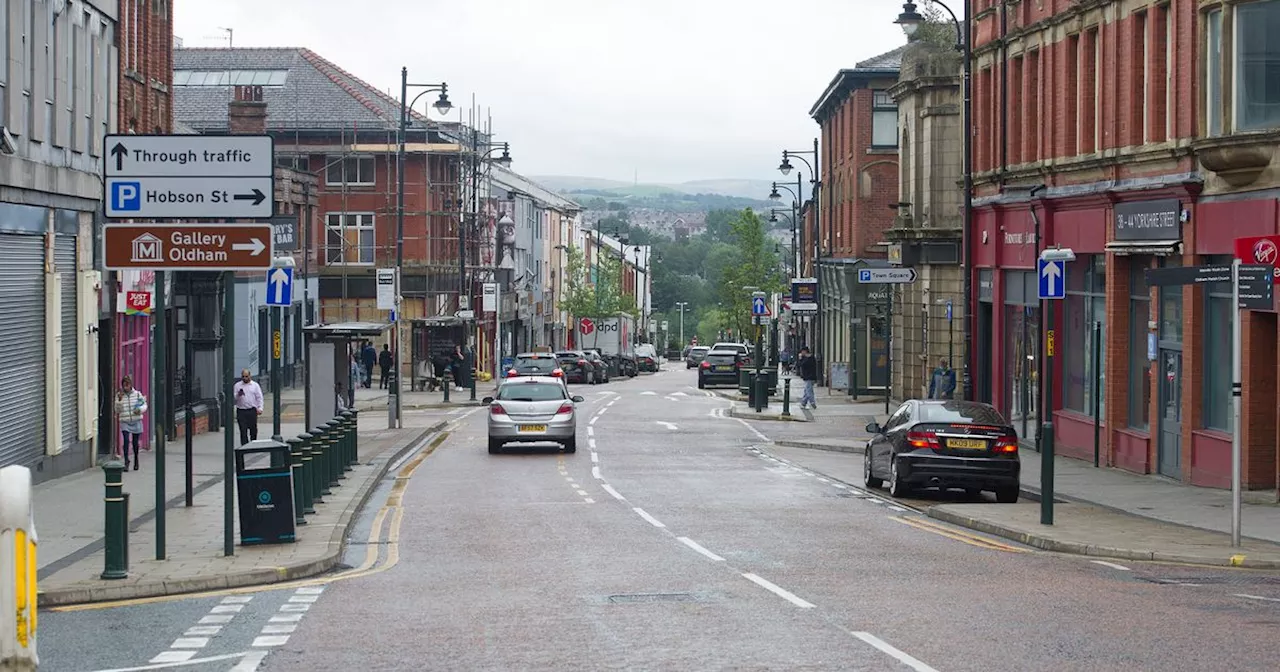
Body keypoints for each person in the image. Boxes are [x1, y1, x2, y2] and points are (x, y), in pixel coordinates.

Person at [114, 375, 148, 471]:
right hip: (125, 421)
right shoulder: (119, 395)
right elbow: (117, 410)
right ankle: (126, 461)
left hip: (136, 420)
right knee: (125, 440)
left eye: (127, 385)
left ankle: (136, 459)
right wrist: (120, 401)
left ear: (131, 385)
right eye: (124, 385)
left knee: (135, 442)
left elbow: (144, 405)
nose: (126, 388)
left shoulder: (137, 394)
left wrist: (140, 410)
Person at [233, 368, 264, 445]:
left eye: (246, 376)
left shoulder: (255, 385)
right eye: (243, 376)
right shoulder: (237, 385)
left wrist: (260, 408)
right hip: (241, 410)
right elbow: (234, 398)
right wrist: (238, 395)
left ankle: (253, 443)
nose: (245, 378)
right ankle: (244, 445)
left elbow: (259, 397)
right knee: (243, 429)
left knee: (253, 429)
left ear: (250, 376)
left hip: (252, 410)